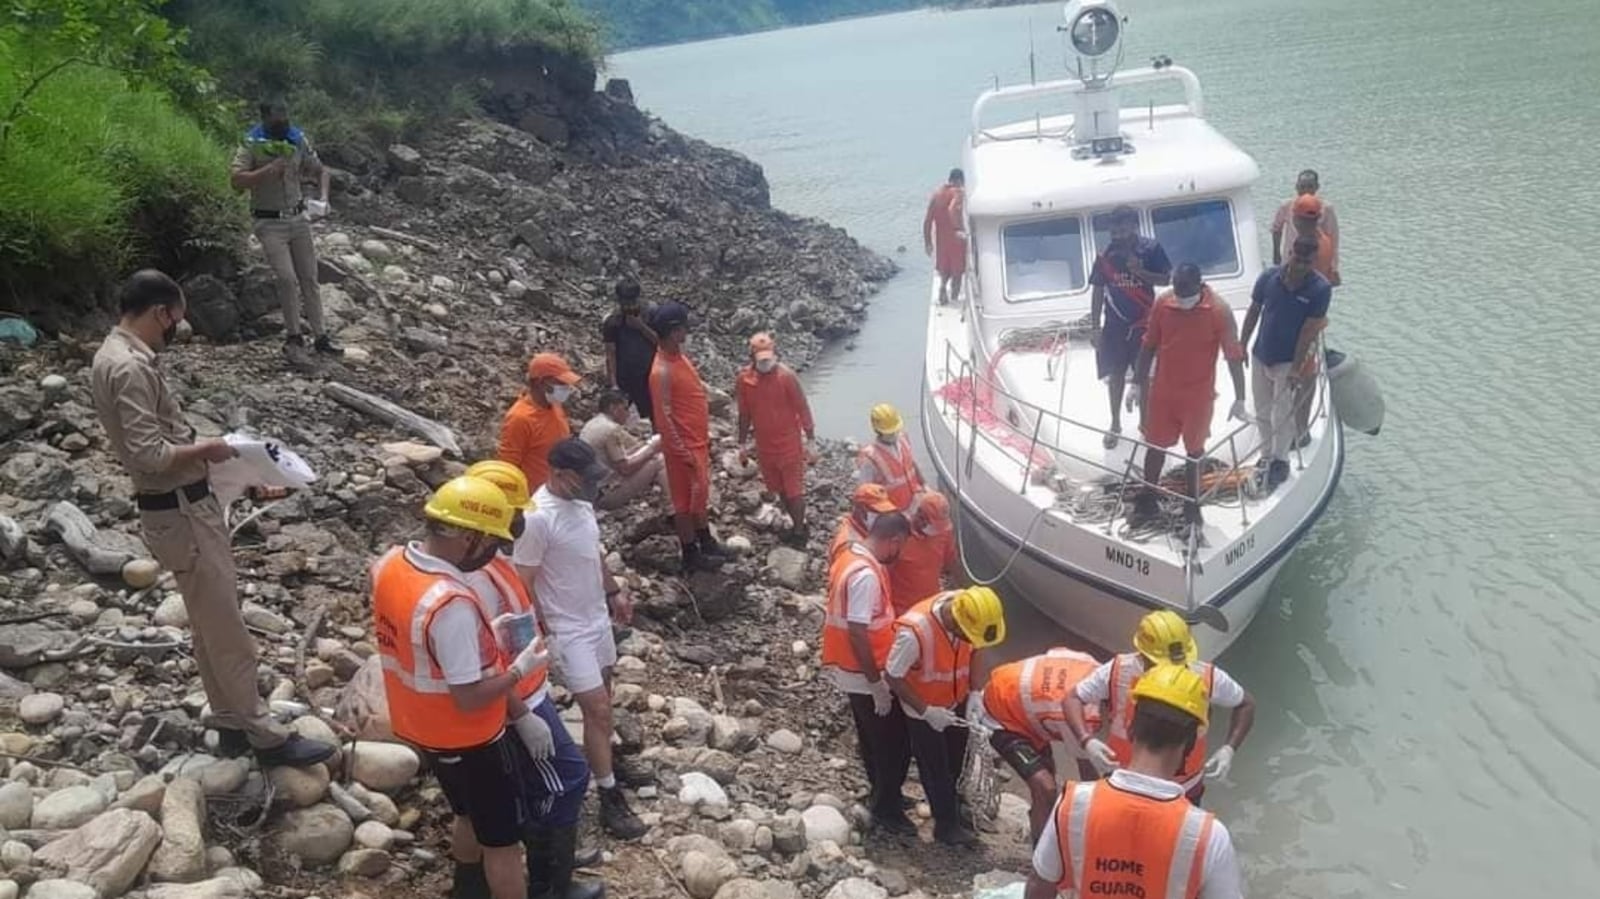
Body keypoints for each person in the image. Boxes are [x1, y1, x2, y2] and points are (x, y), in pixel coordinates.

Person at [91, 270, 333, 767]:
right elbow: (150, 454)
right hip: (182, 513)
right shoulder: (130, 367)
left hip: (177, 511)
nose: (178, 327)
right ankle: (266, 736)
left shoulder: (111, 356)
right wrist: (217, 448)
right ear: (161, 312)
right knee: (226, 628)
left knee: (206, 625)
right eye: (176, 317)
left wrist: (233, 466)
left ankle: (229, 722)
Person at [371, 477, 554, 899]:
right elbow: (468, 696)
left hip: (420, 726)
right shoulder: (450, 601)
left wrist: (479, 639)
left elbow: (415, 644)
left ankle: (466, 889)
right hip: (470, 737)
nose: (493, 552)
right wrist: (516, 671)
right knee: (503, 843)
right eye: (489, 542)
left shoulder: (390, 565)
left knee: (467, 813)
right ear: (468, 538)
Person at [462, 461, 604, 899]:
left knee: (509, 795)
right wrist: (521, 713)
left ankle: (527, 869)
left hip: (524, 688)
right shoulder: (474, 577)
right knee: (566, 778)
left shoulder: (494, 560)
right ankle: (549, 885)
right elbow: (476, 664)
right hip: (513, 700)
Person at [512, 439, 648, 840]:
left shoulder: (582, 504)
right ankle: (609, 796)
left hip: (595, 617)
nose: (593, 486)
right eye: (585, 479)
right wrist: (540, 630)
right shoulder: (537, 518)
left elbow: (594, 552)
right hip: (565, 627)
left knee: (603, 698)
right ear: (558, 474)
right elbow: (525, 580)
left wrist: (612, 592)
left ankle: (602, 759)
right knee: (599, 708)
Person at [1025, 664, 1243, 899]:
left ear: (1130, 729)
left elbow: (1040, 884)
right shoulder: (1207, 835)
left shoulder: (1073, 804)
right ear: (1190, 744)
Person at [1063, 611, 1255, 806]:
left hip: (1183, 790)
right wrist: (1086, 741)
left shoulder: (1208, 677)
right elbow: (1072, 698)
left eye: (1178, 663)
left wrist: (1229, 749)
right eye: (1161, 664)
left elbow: (1245, 704)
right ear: (1142, 655)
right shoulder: (1118, 670)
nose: (1171, 669)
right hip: (1124, 784)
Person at [883, 586, 1006, 846]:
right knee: (935, 767)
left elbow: (978, 649)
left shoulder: (970, 609)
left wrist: (975, 692)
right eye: (965, 634)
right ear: (956, 619)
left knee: (957, 760)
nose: (967, 638)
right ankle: (946, 826)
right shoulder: (916, 632)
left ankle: (956, 807)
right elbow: (893, 675)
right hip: (923, 710)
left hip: (955, 700)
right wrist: (926, 712)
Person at [1130, 263, 1248, 529]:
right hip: (1163, 391)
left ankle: (1192, 503)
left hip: (1198, 397)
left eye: (1187, 292)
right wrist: (1137, 383)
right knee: (1155, 445)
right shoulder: (1163, 303)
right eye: (1178, 291)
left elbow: (1233, 356)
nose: (1182, 298)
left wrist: (1240, 397)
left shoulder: (1219, 311)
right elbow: (1148, 345)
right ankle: (1149, 494)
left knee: (1194, 451)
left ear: (1200, 284)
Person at [820, 512, 915, 834]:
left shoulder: (849, 556)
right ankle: (886, 808)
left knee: (873, 737)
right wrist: (877, 684)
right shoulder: (866, 574)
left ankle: (883, 793)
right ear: (894, 540)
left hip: (852, 669)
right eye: (900, 549)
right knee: (893, 742)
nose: (897, 556)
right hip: (864, 672)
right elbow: (858, 631)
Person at [229, 99, 338, 361]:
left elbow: (321, 170)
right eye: (277, 119)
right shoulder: (251, 142)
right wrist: (267, 171)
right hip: (269, 222)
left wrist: (323, 198)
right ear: (265, 118)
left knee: (309, 278)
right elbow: (236, 181)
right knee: (287, 279)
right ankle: (294, 335)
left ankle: (321, 336)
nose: (283, 123)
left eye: (285, 117)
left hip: (298, 218)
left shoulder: (297, 138)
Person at [977, 647, 1104, 842]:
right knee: (1046, 789)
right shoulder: (1079, 717)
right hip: (1001, 717)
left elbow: (1054, 652)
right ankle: (1040, 862)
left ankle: (1042, 835)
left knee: (1048, 794)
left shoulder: (1090, 663)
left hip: (1018, 699)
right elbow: (1087, 776)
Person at [1239, 235, 1332, 491]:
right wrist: (1242, 343)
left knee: (1283, 412)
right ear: (1290, 253)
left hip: (1289, 360)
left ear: (1313, 260)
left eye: (1306, 260)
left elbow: (1309, 331)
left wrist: (1295, 369)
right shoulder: (1268, 277)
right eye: (1297, 257)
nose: (1300, 264)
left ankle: (1281, 460)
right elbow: (1254, 310)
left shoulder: (1320, 289)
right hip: (1261, 354)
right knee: (1262, 408)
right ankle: (1266, 454)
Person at [649, 303, 727, 572]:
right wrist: (682, 453)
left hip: (697, 442)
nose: (686, 331)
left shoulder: (678, 358)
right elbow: (663, 418)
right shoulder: (661, 371)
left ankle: (706, 541)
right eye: (683, 327)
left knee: (699, 496)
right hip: (684, 448)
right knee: (683, 502)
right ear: (673, 332)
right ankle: (690, 553)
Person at [1089, 205, 1172, 449]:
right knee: (1115, 375)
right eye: (1113, 226)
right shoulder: (1106, 255)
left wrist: (1140, 271)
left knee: (1144, 376)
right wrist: (1095, 327)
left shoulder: (1151, 248)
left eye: (1122, 225)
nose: (1117, 230)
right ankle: (1115, 423)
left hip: (1144, 324)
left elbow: (1166, 279)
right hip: (1114, 325)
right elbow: (1097, 290)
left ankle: (1145, 425)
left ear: (1134, 226)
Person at [735, 332, 816, 543]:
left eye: (768, 358)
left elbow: (802, 407)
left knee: (794, 491)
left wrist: (811, 439)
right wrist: (741, 444)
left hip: (789, 444)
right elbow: (744, 414)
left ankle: (799, 531)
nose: (765, 363)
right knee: (779, 489)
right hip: (765, 446)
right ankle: (795, 522)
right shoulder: (745, 380)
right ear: (752, 357)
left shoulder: (786, 377)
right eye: (760, 360)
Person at [498, 353, 582, 493]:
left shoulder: (554, 405)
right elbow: (508, 467)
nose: (567, 388)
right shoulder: (520, 418)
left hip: (558, 491)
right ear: (542, 383)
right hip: (535, 499)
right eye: (561, 383)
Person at [579, 391, 668, 512]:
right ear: (613, 408)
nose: (628, 414)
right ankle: (675, 510)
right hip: (605, 494)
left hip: (591, 491)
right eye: (625, 409)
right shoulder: (611, 429)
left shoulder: (592, 424)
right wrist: (652, 449)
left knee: (649, 455)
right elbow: (625, 469)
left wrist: (645, 447)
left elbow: (622, 454)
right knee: (660, 460)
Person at [888, 491, 958, 615]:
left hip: (930, 606)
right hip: (901, 610)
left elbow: (950, 563)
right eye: (933, 525)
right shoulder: (898, 535)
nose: (936, 531)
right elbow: (883, 574)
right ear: (919, 515)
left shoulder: (944, 533)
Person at [601, 278, 658, 423]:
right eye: (625, 303)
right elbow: (610, 353)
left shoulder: (651, 313)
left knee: (654, 414)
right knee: (618, 417)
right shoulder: (613, 321)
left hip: (649, 374)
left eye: (632, 302)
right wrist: (613, 384)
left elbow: (661, 343)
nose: (629, 306)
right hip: (624, 377)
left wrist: (641, 327)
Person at [856, 403, 925, 509]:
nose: (893, 435)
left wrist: (925, 485)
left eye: (895, 431)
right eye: (889, 432)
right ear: (878, 431)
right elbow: (865, 493)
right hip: (894, 512)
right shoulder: (870, 458)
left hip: (915, 503)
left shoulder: (903, 439)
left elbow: (912, 464)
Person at [1271, 168, 1340, 267]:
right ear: (1296, 187)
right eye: (1302, 187)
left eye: (1310, 187)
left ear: (1317, 187)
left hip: (1315, 261)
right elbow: (1276, 229)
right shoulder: (1286, 206)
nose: (1306, 191)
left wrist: (1333, 267)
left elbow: (1333, 239)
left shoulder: (1326, 208)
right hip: (1289, 260)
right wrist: (1276, 254)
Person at [923, 168, 968, 306]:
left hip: (941, 239)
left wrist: (928, 242)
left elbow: (927, 220)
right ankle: (954, 299)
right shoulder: (958, 193)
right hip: (956, 239)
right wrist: (958, 228)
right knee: (957, 272)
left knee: (944, 268)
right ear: (959, 180)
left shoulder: (936, 194)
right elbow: (952, 209)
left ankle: (942, 286)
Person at [829, 483, 900, 561]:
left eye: (885, 513)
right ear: (860, 509)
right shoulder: (849, 545)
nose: (883, 518)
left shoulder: (863, 532)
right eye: (877, 512)